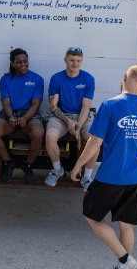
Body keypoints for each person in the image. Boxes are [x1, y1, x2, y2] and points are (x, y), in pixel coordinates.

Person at [71, 66, 137, 269]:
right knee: (125, 224)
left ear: (124, 78)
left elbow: (94, 143)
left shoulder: (110, 105)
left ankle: (125, 260)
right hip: (134, 178)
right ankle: (124, 266)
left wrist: (78, 165)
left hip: (112, 175)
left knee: (91, 215)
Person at [0, 48, 45, 184]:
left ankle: (28, 164)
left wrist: (25, 118)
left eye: (25, 61)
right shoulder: (5, 79)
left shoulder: (37, 79)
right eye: (18, 62)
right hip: (10, 113)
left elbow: (36, 104)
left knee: (39, 133)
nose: (23, 64)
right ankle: (9, 162)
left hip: (30, 114)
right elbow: (6, 102)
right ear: (12, 64)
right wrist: (10, 117)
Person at [45, 47, 96, 191]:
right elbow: (53, 106)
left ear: (82, 61)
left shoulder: (88, 79)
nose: (75, 64)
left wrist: (78, 127)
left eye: (78, 61)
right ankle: (57, 170)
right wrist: (68, 121)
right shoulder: (56, 78)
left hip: (82, 117)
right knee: (50, 136)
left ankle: (87, 176)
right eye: (72, 60)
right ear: (65, 60)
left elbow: (86, 107)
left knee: (95, 140)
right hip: (62, 116)